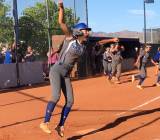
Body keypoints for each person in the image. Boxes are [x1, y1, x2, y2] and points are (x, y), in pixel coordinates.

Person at [40, 0, 118, 137]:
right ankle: (45, 122)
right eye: (85, 30)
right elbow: (61, 22)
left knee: (70, 101)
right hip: (57, 69)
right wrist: (61, 8)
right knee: (56, 96)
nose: (87, 32)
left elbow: (99, 42)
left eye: (88, 30)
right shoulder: (70, 37)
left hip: (66, 74)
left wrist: (111, 40)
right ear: (78, 31)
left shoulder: (84, 45)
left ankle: (60, 126)